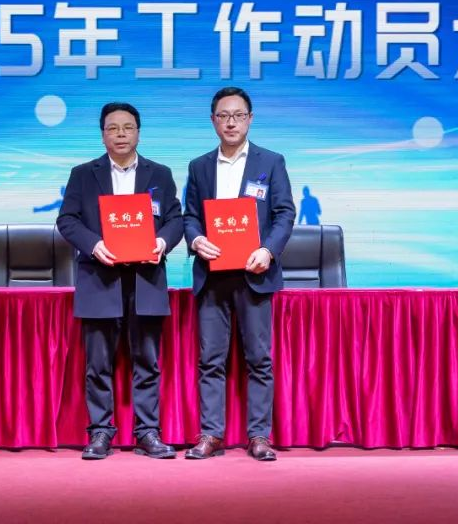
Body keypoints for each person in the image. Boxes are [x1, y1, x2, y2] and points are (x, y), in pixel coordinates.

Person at [56, 102, 183, 460]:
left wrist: (162, 243)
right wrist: (94, 245)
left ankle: (147, 432)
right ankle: (100, 432)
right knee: (98, 363)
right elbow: (67, 220)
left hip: (146, 279)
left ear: (138, 133)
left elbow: (175, 219)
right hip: (100, 278)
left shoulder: (160, 174)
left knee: (147, 361)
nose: (121, 134)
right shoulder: (84, 174)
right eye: (113, 128)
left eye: (128, 127)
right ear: (103, 135)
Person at [182, 87, 295, 462]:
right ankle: (211, 434)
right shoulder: (199, 166)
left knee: (259, 359)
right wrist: (196, 239)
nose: (231, 122)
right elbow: (190, 216)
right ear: (213, 120)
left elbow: (284, 213)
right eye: (223, 116)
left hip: (254, 273)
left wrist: (268, 250)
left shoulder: (271, 161)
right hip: (213, 275)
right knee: (210, 360)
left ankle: (259, 435)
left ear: (250, 119)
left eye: (238, 115)